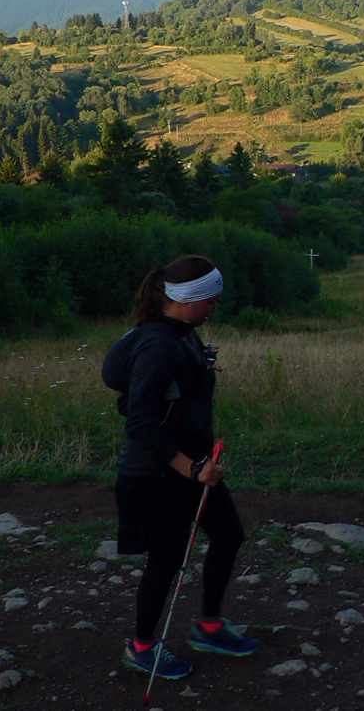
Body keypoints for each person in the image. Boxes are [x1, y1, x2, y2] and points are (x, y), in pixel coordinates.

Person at [102, 254, 257, 681]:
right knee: (167, 559)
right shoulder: (158, 344)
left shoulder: (184, 333)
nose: (213, 309)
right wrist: (190, 468)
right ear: (188, 300)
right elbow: (140, 423)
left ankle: (209, 627)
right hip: (157, 474)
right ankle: (141, 647)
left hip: (194, 465)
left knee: (229, 534)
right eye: (210, 301)